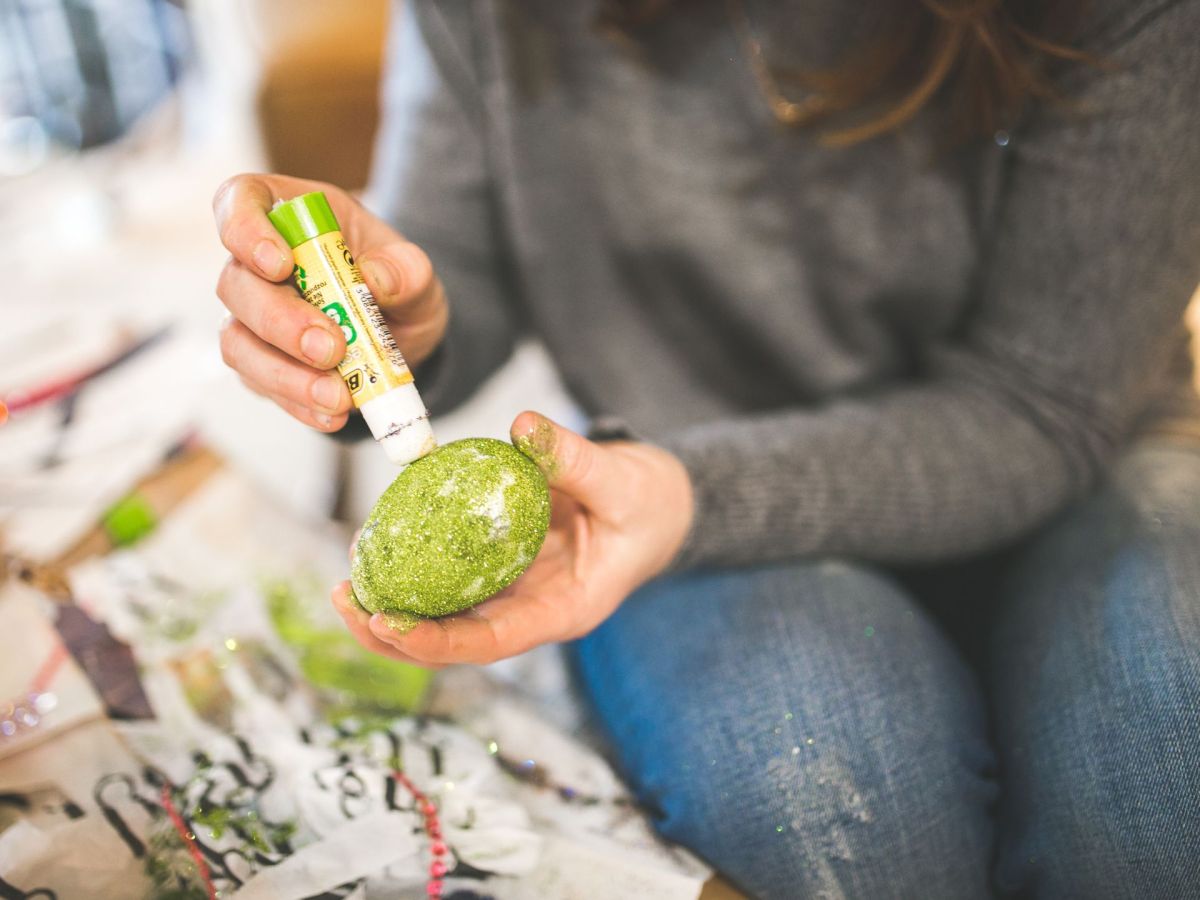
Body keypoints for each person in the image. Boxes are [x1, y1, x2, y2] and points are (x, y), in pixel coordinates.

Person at [211, 0, 1200, 896]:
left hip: (1068, 449)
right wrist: (395, 325)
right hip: (675, 482)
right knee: (838, 803)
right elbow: (454, 257)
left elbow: (1043, 398)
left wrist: (695, 494)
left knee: (1164, 755)